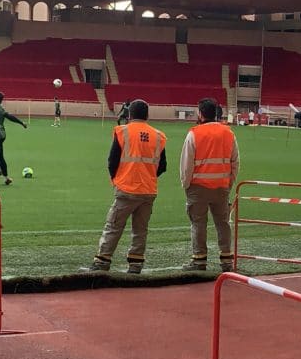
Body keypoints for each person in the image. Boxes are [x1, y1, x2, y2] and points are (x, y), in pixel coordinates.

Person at [90, 99, 167, 275]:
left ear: (129, 115)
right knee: (140, 230)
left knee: (114, 226)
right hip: (148, 190)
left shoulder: (122, 132)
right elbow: (162, 166)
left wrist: (116, 179)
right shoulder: (158, 136)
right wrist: (147, 176)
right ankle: (136, 264)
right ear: (147, 115)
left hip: (126, 188)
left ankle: (103, 261)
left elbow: (112, 160)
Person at [181, 98, 239, 273]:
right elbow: (235, 162)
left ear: (200, 113)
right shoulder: (228, 133)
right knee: (223, 223)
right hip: (221, 187)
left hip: (198, 187)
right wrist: (228, 183)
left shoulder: (194, 133)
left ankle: (199, 260)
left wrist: (186, 184)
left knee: (198, 223)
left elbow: (186, 164)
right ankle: (227, 260)